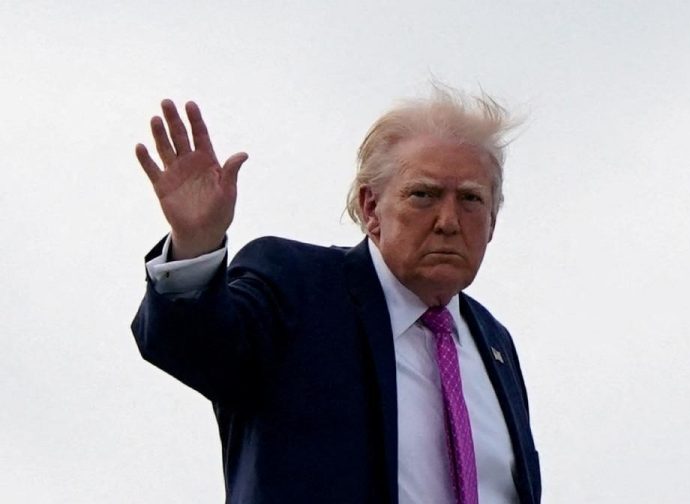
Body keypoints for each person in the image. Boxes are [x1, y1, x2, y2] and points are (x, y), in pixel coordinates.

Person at [131, 89, 541, 503]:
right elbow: (196, 348)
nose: (448, 221)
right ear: (371, 207)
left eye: (471, 199)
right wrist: (195, 245)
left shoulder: (493, 342)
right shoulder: (298, 286)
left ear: (492, 222)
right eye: (424, 195)